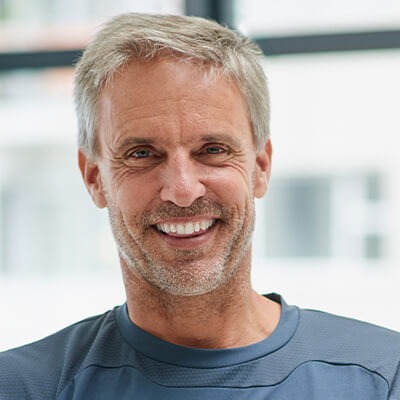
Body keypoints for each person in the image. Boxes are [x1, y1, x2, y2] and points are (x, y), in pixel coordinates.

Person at [0, 13, 399, 400]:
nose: (183, 190)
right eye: (142, 153)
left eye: (212, 150)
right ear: (94, 178)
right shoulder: (23, 386)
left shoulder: (381, 376)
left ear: (260, 167)